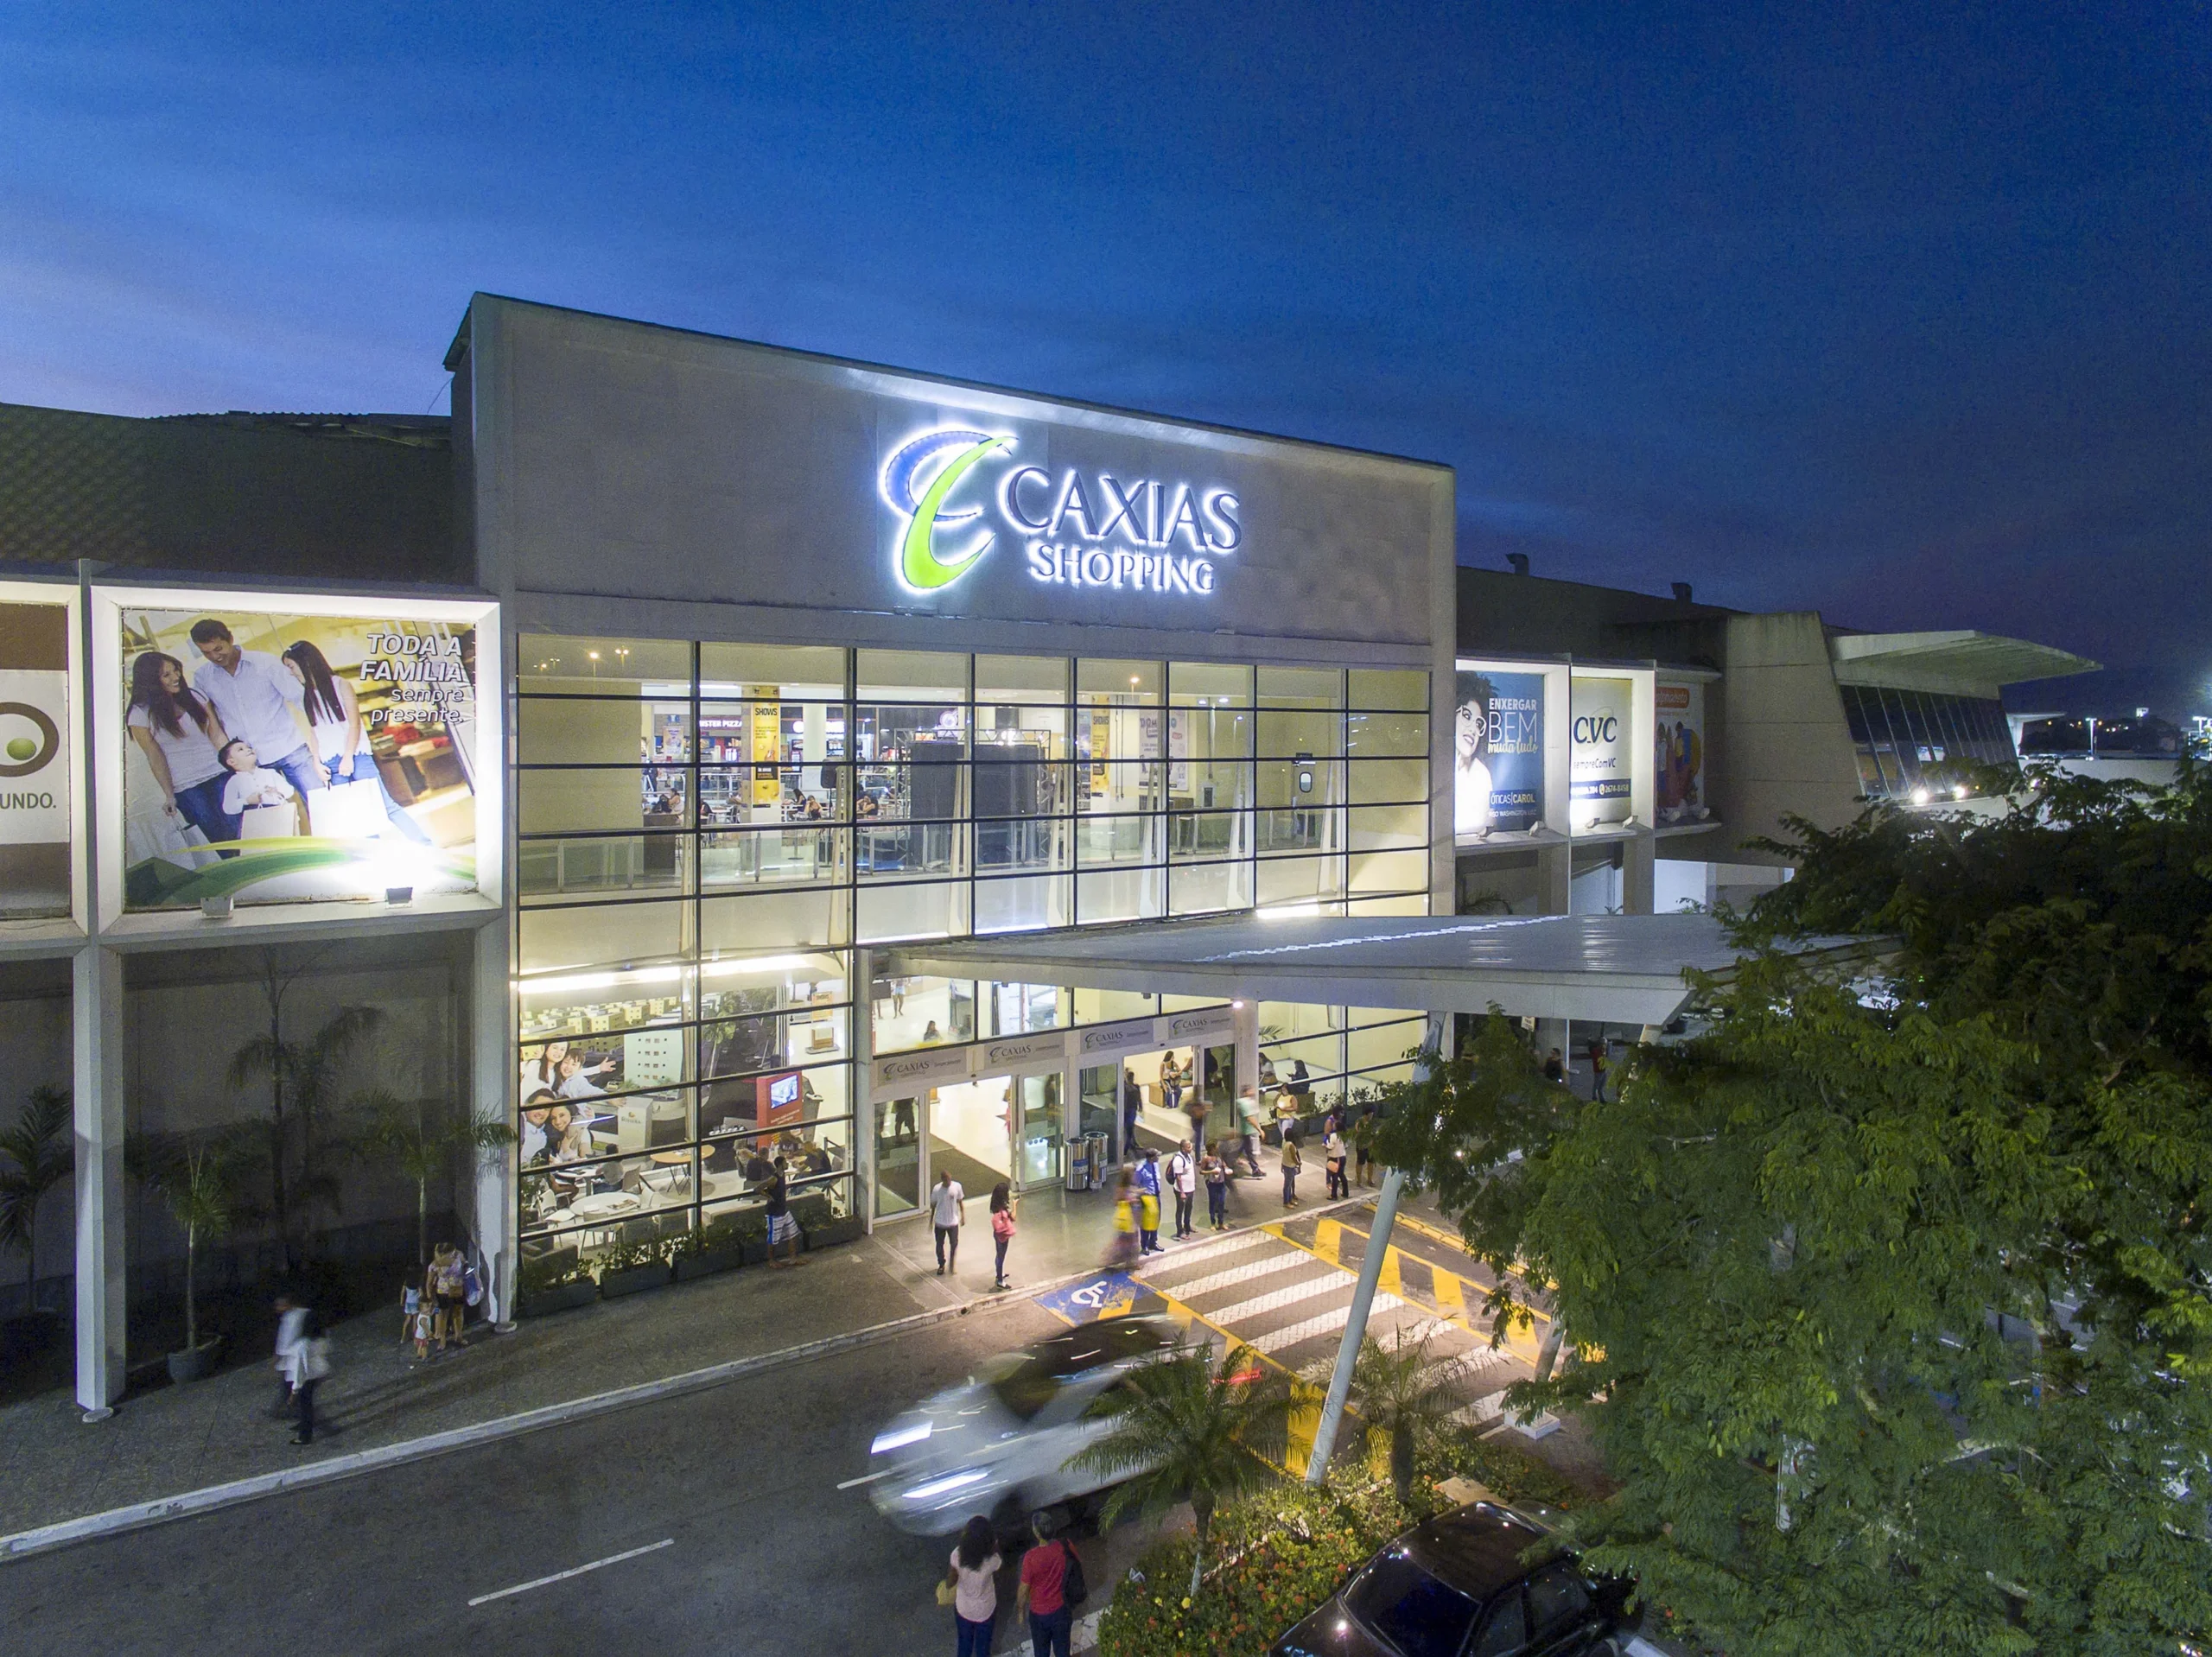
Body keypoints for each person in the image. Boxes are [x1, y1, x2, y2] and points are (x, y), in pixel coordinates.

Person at [278, 639, 431, 841]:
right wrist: (316, 761)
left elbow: (354, 724)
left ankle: (425, 845)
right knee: (355, 815)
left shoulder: (341, 685)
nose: (290, 672)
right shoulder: (307, 694)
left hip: (357, 757)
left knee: (385, 806)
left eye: (291, 666)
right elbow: (314, 732)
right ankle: (374, 855)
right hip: (330, 762)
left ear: (305, 662)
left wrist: (348, 756)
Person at [188, 619, 322, 802]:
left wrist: (323, 737)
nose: (215, 657)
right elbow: (211, 721)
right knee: (273, 819)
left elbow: (300, 699)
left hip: (290, 749)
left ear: (230, 639)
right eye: (207, 653)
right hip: (250, 763)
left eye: (218, 649)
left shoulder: (265, 663)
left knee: (320, 803)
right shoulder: (203, 677)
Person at [126, 651, 237, 851]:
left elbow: (217, 734)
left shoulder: (194, 696)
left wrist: (235, 765)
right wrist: (169, 795)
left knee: (238, 829)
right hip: (186, 786)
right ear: (151, 680)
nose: (175, 677)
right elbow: (154, 756)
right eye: (166, 675)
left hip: (219, 772)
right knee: (218, 839)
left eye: (175, 670)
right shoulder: (140, 713)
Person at [1015, 1521, 1078, 1657]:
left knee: (1041, 1651)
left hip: (1039, 1614)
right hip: (1062, 1608)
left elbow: (1023, 1589)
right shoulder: (1065, 1545)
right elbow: (1076, 1564)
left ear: (1038, 1534)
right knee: (1062, 1650)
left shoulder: (1031, 1557)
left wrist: (1020, 1611)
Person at [217, 740, 304, 834]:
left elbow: (289, 790)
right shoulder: (234, 781)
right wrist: (247, 801)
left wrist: (278, 791)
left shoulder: (270, 773)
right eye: (240, 749)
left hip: (282, 816)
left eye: (249, 748)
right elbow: (228, 807)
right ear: (231, 761)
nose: (248, 750)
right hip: (257, 824)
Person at [945, 1514, 1001, 1657]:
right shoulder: (992, 1561)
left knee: (964, 1646)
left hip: (964, 1609)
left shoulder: (957, 1555)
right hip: (985, 1610)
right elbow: (998, 1561)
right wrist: (994, 1545)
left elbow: (949, 1582)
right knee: (983, 1649)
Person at [271, 1292, 309, 1419]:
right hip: (289, 1357)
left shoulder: (296, 1316)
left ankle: (291, 1411)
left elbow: (286, 1340)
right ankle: (282, 1410)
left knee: (291, 1386)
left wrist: (278, 1355)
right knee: (288, 1386)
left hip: (292, 1356)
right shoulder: (290, 1316)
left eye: (280, 1306)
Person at [429, 1243, 467, 1349]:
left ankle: (458, 1336)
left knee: (458, 1312)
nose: (453, 1256)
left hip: (458, 1289)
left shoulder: (458, 1255)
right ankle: (442, 1340)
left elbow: (466, 1265)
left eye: (454, 1253)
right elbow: (429, 1282)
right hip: (443, 1292)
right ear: (442, 1255)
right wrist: (430, 1297)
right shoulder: (434, 1265)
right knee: (442, 1316)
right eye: (450, 1254)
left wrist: (468, 1270)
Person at [765, 1155, 802, 1267]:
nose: (787, 1164)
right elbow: (759, 1188)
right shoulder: (774, 1178)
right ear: (781, 1165)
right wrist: (768, 1196)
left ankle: (793, 1258)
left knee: (793, 1233)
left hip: (784, 1211)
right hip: (774, 1213)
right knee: (773, 1238)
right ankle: (771, 1261)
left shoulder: (782, 1175)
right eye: (785, 1163)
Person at [931, 1168, 965, 1274]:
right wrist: (931, 1220)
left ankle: (952, 1263)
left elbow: (960, 1201)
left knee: (954, 1243)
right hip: (940, 1222)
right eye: (946, 1180)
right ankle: (941, 1263)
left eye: (950, 1179)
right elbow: (933, 1205)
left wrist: (963, 1216)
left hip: (953, 1222)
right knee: (939, 1244)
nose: (949, 1182)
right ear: (942, 1180)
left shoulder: (957, 1187)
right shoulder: (937, 1189)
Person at [1103, 1170, 1141, 1269]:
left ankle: (1130, 1262)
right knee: (1127, 1242)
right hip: (1126, 1220)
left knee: (1130, 1241)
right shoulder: (1122, 1189)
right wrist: (1129, 1201)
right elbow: (1116, 1201)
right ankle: (1113, 1260)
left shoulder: (1131, 1187)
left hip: (1132, 1219)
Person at [1166, 1139, 1197, 1240]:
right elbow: (1178, 1177)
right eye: (1188, 1147)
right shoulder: (1179, 1160)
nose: (1190, 1148)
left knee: (1189, 1208)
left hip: (1190, 1189)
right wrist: (1182, 1192)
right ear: (1183, 1148)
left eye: (1191, 1146)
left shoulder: (1189, 1157)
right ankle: (1180, 1231)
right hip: (1182, 1191)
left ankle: (1187, 1225)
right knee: (1180, 1210)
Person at [988, 1180, 1017, 1290]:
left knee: (999, 1255)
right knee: (1001, 1256)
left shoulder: (996, 1206)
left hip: (997, 1234)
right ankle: (1000, 1280)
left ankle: (999, 1274)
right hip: (1003, 1235)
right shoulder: (1004, 1207)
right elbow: (1013, 1217)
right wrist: (1015, 1205)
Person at [1134, 1148, 1162, 1254]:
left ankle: (1153, 1242)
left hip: (1157, 1196)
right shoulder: (1141, 1169)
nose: (1158, 1158)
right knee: (1146, 1222)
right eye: (1157, 1156)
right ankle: (1144, 1245)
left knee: (1156, 1220)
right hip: (1147, 1199)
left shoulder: (1155, 1165)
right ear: (1151, 1158)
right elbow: (1135, 1184)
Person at [1233, 1086, 1264, 1178]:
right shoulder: (1244, 1103)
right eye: (1250, 1090)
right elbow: (1250, 1118)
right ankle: (1255, 1170)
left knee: (1243, 1150)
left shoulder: (1244, 1102)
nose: (1253, 1091)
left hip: (1246, 1131)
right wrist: (1260, 1130)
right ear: (1245, 1092)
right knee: (1248, 1151)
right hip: (1246, 1131)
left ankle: (1231, 1165)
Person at [1200, 1140, 1230, 1230]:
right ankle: (1213, 1223)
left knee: (1221, 1202)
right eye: (1214, 1148)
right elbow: (1201, 1171)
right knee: (1213, 1202)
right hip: (1212, 1183)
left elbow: (1224, 1165)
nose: (1216, 1149)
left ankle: (1221, 1222)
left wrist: (1227, 1169)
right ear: (1210, 1149)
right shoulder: (1206, 1158)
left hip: (1221, 1182)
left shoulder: (1219, 1156)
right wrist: (1211, 1172)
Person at [1119, 1066, 1141, 1158]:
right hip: (1125, 1110)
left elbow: (1139, 1097)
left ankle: (1129, 1147)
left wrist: (1140, 1105)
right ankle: (1129, 1146)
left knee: (1129, 1128)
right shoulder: (1124, 1087)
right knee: (1127, 1129)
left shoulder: (1136, 1087)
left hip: (1132, 1109)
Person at [1324, 1126, 1349, 1200]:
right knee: (1341, 1175)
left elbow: (1330, 1146)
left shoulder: (1334, 1136)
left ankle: (1334, 1195)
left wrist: (1325, 1145)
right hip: (1343, 1157)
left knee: (1334, 1177)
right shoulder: (1345, 1136)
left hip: (1335, 1158)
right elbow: (1346, 1146)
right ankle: (1345, 1193)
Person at [1280, 1129, 1302, 1208]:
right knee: (1287, 1185)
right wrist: (1298, 1163)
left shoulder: (1284, 1142)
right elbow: (1293, 1156)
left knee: (1288, 1184)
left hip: (1285, 1164)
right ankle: (1286, 1202)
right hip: (1290, 1166)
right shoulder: (1291, 1145)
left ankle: (1289, 1199)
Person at [1589, 1038, 1610, 1102]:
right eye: (1603, 1044)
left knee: (1601, 1086)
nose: (1605, 1046)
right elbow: (1599, 1060)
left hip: (1604, 1070)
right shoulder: (1596, 1051)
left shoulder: (1603, 1051)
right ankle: (1594, 1098)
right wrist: (1603, 1054)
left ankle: (1602, 1099)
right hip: (1598, 1071)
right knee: (1596, 1085)